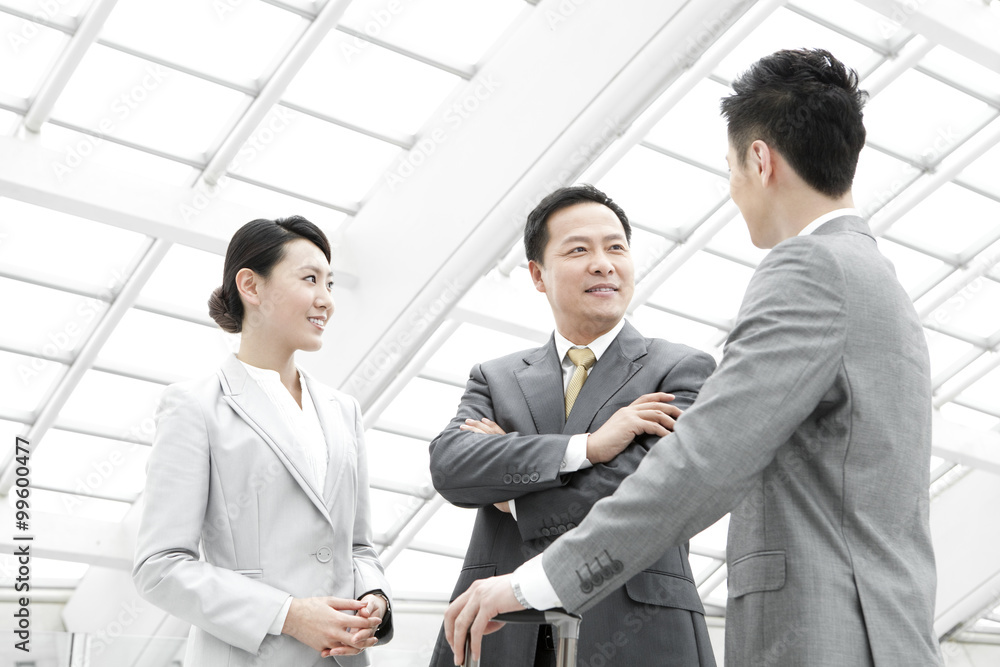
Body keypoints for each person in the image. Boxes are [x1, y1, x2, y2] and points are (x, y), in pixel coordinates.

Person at [444, 49, 944, 666]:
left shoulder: (807, 270)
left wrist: (534, 579)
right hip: (880, 628)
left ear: (759, 160)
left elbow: (704, 460)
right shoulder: (877, 278)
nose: (734, 190)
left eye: (731, 169)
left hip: (823, 635)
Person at [428, 185, 718, 666]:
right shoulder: (496, 378)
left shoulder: (681, 370)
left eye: (616, 247)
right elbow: (452, 466)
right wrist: (587, 447)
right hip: (501, 639)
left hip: (636, 630)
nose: (603, 263)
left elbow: (647, 492)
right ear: (538, 275)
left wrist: (513, 497)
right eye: (579, 249)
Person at [133, 216, 392, 666]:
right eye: (310, 279)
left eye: (329, 283)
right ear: (251, 287)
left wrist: (374, 597)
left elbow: (358, 547)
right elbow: (160, 566)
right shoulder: (194, 407)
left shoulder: (343, 411)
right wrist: (288, 615)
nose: (326, 300)